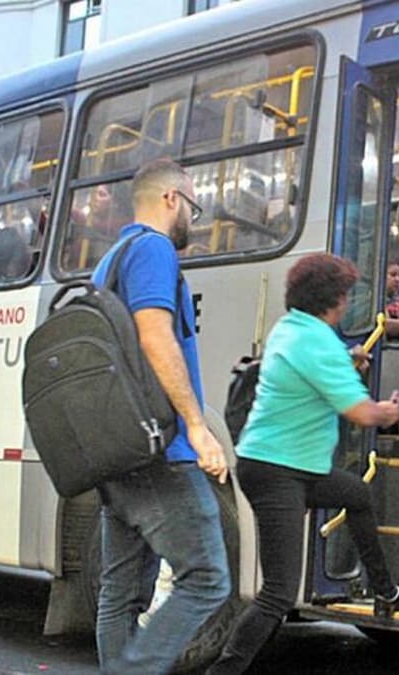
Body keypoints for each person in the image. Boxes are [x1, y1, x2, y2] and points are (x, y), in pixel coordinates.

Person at [208, 253, 399, 675]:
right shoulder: (317, 343)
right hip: (278, 470)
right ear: (333, 300)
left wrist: (346, 360)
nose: (348, 302)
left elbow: (317, 369)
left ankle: (385, 590)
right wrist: (390, 411)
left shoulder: (293, 328)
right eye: (346, 295)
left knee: (355, 493)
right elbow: (360, 412)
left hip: (289, 466)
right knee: (278, 594)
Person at [89, 158, 231, 674]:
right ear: (172, 199)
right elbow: (155, 336)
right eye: (193, 206)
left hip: (118, 448)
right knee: (208, 577)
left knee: (121, 591)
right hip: (160, 451)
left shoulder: (109, 261)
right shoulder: (153, 249)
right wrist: (196, 426)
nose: (193, 217)